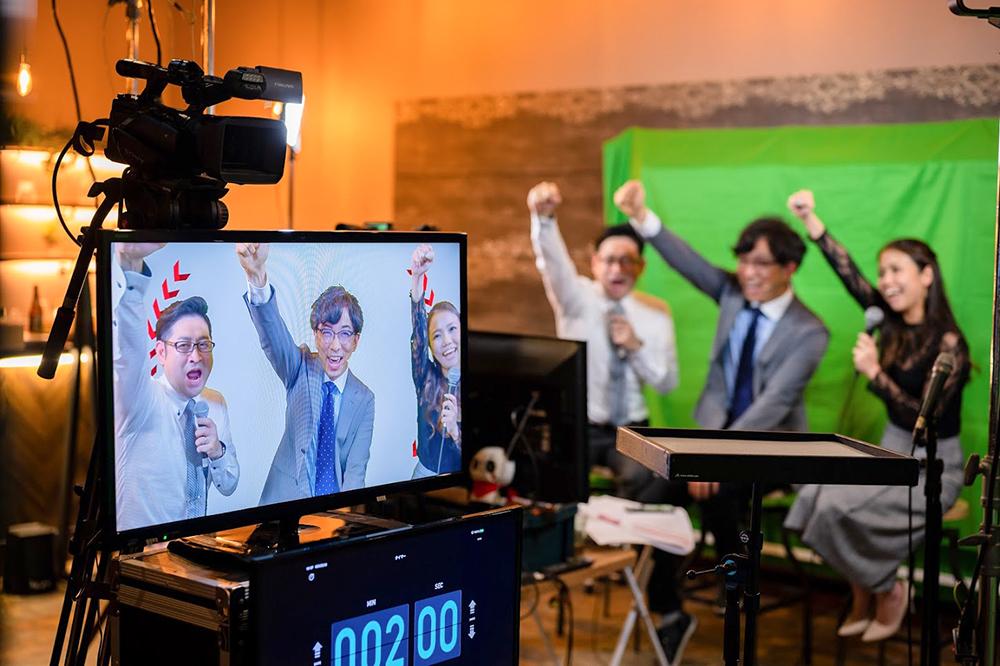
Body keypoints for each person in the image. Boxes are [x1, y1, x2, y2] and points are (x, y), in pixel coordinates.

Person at [614, 179, 830, 662]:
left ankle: (738, 583)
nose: (748, 273)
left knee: (715, 491)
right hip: (713, 435)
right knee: (659, 491)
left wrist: (715, 459)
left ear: (789, 268)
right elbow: (687, 262)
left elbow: (774, 404)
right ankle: (671, 610)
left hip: (772, 447)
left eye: (761, 264)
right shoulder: (732, 292)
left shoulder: (810, 332)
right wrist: (641, 216)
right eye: (744, 261)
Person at [783, 189, 969, 643]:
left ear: (926, 275)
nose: (886, 281)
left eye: (896, 270)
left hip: (932, 467)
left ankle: (885, 588)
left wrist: (875, 373)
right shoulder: (888, 320)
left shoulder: (950, 344)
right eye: (882, 272)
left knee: (833, 509)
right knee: (811, 495)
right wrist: (811, 220)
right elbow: (849, 274)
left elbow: (922, 419)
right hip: (888, 453)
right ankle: (864, 588)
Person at [527, 181, 679, 500]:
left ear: (641, 267)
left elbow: (667, 384)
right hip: (581, 425)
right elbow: (553, 266)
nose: (617, 269)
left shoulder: (657, 313)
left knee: (645, 478)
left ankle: (624, 531)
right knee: (554, 477)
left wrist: (636, 348)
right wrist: (544, 219)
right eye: (609, 260)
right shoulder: (576, 299)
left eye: (627, 261)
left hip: (633, 429)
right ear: (595, 262)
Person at [114, 242, 239, 532]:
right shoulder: (140, 398)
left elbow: (229, 484)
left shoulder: (215, 403)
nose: (196, 356)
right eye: (183, 346)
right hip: (143, 552)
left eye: (204, 344)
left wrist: (217, 451)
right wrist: (130, 267)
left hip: (199, 546)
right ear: (161, 352)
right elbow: (129, 349)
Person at [236, 242, 375, 504]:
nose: (335, 346)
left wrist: (347, 518)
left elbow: (356, 472)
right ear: (315, 334)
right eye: (327, 332)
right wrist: (257, 276)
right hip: (283, 508)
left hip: (334, 514)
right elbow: (273, 334)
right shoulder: (299, 366)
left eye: (345, 333)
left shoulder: (365, 399)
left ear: (356, 340)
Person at [408, 244, 462, 478]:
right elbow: (418, 334)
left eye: (452, 329)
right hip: (424, 474)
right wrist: (417, 277)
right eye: (437, 336)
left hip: (459, 481)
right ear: (429, 345)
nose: (447, 341)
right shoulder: (425, 377)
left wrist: (456, 431)